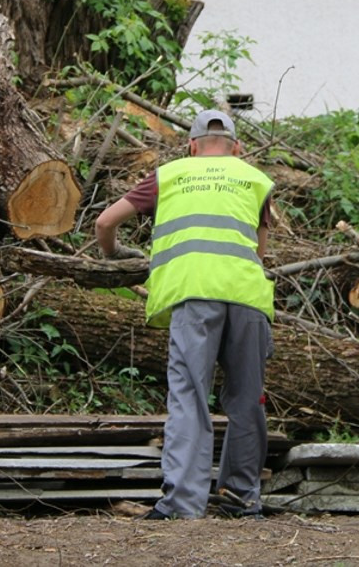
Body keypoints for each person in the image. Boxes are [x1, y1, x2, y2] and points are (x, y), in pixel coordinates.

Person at [95, 109, 274, 520]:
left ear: (191, 146)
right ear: (237, 148)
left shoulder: (170, 175)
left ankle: (182, 505)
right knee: (248, 400)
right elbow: (259, 254)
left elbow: (105, 222)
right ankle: (241, 499)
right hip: (247, 298)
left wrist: (115, 256)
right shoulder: (256, 181)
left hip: (194, 296)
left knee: (191, 396)